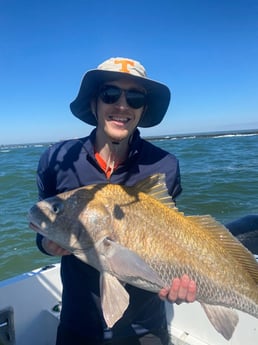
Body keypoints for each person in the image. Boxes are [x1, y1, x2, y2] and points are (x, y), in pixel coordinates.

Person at [35, 57, 197, 345]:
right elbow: (43, 225)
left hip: (144, 326)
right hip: (77, 321)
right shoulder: (54, 160)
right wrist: (47, 244)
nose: (122, 105)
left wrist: (182, 280)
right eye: (110, 94)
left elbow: (173, 238)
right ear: (94, 103)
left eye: (134, 97)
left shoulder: (165, 165)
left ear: (143, 109)